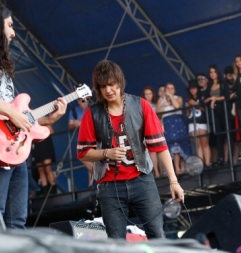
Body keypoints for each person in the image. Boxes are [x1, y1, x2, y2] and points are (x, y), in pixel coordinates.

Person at [0, 3, 67, 229]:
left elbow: (18, 116)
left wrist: (48, 121)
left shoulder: (2, 66)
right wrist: (9, 112)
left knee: (16, 220)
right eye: (9, 25)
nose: (13, 32)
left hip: (15, 149)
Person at [77, 60, 184, 239]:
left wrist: (174, 181)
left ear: (119, 82)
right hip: (109, 186)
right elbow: (82, 152)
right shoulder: (92, 113)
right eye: (103, 86)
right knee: (116, 242)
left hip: (142, 180)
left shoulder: (140, 105)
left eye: (111, 84)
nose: (108, 90)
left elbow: (160, 146)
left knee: (157, 234)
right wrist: (106, 153)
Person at [157, 82, 191, 174]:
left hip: (178, 122)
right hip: (168, 123)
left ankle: (182, 167)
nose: (170, 90)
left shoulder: (178, 98)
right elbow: (157, 111)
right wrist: (165, 104)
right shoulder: (161, 99)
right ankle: (176, 168)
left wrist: (171, 97)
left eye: (172, 88)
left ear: (174, 90)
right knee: (173, 144)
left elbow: (177, 106)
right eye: (168, 88)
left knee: (182, 143)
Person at [204, 65, 232, 165]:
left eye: (214, 72)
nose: (212, 74)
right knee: (219, 135)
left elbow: (227, 96)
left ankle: (229, 158)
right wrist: (208, 99)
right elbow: (206, 98)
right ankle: (221, 157)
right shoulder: (209, 85)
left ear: (217, 73)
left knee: (228, 134)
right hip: (214, 112)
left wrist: (215, 98)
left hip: (224, 110)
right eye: (210, 72)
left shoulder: (223, 83)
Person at [68, 98, 94, 187]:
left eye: (87, 100)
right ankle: (96, 177)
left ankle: (91, 183)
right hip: (80, 139)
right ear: (78, 101)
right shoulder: (74, 111)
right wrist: (76, 124)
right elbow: (70, 125)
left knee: (91, 158)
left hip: (92, 138)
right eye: (83, 101)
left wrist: (80, 123)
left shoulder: (92, 109)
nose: (85, 103)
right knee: (83, 157)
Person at [186, 79, 210, 167]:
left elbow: (205, 110)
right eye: (191, 89)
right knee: (198, 144)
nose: (192, 90)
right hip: (192, 123)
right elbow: (187, 114)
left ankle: (207, 163)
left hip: (202, 121)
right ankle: (201, 164)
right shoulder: (188, 99)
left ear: (197, 88)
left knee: (205, 143)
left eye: (194, 88)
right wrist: (188, 107)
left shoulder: (202, 97)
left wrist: (195, 104)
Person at [141, 86, 161, 177]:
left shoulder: (157, 104)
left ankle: (162, 171)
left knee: (161, 150)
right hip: (147, 129)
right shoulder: (141, 106)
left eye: (150, 94)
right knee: (151, 151)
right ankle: (156, 171)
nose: (148, 96)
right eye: (146, 94)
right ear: (143, 95)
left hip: (157, 129)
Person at [32, 124, 57, 196]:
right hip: (37, 144)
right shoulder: (32, 122)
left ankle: (53, 188)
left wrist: (42, 128)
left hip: (45, 143)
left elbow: (52, 131)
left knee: (48, 167)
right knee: (40, 169)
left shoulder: (44, 121)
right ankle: (44, 189)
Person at [223, 66, 240, 164]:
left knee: (237, 138)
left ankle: (235, 161)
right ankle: (226, 160)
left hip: (237, 113)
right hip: (226, 113)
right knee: (227, 137)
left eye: (232, 75)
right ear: (225, 76)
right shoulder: (223, 85)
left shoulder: (237, 83)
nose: (230, 77)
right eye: (229, 75)